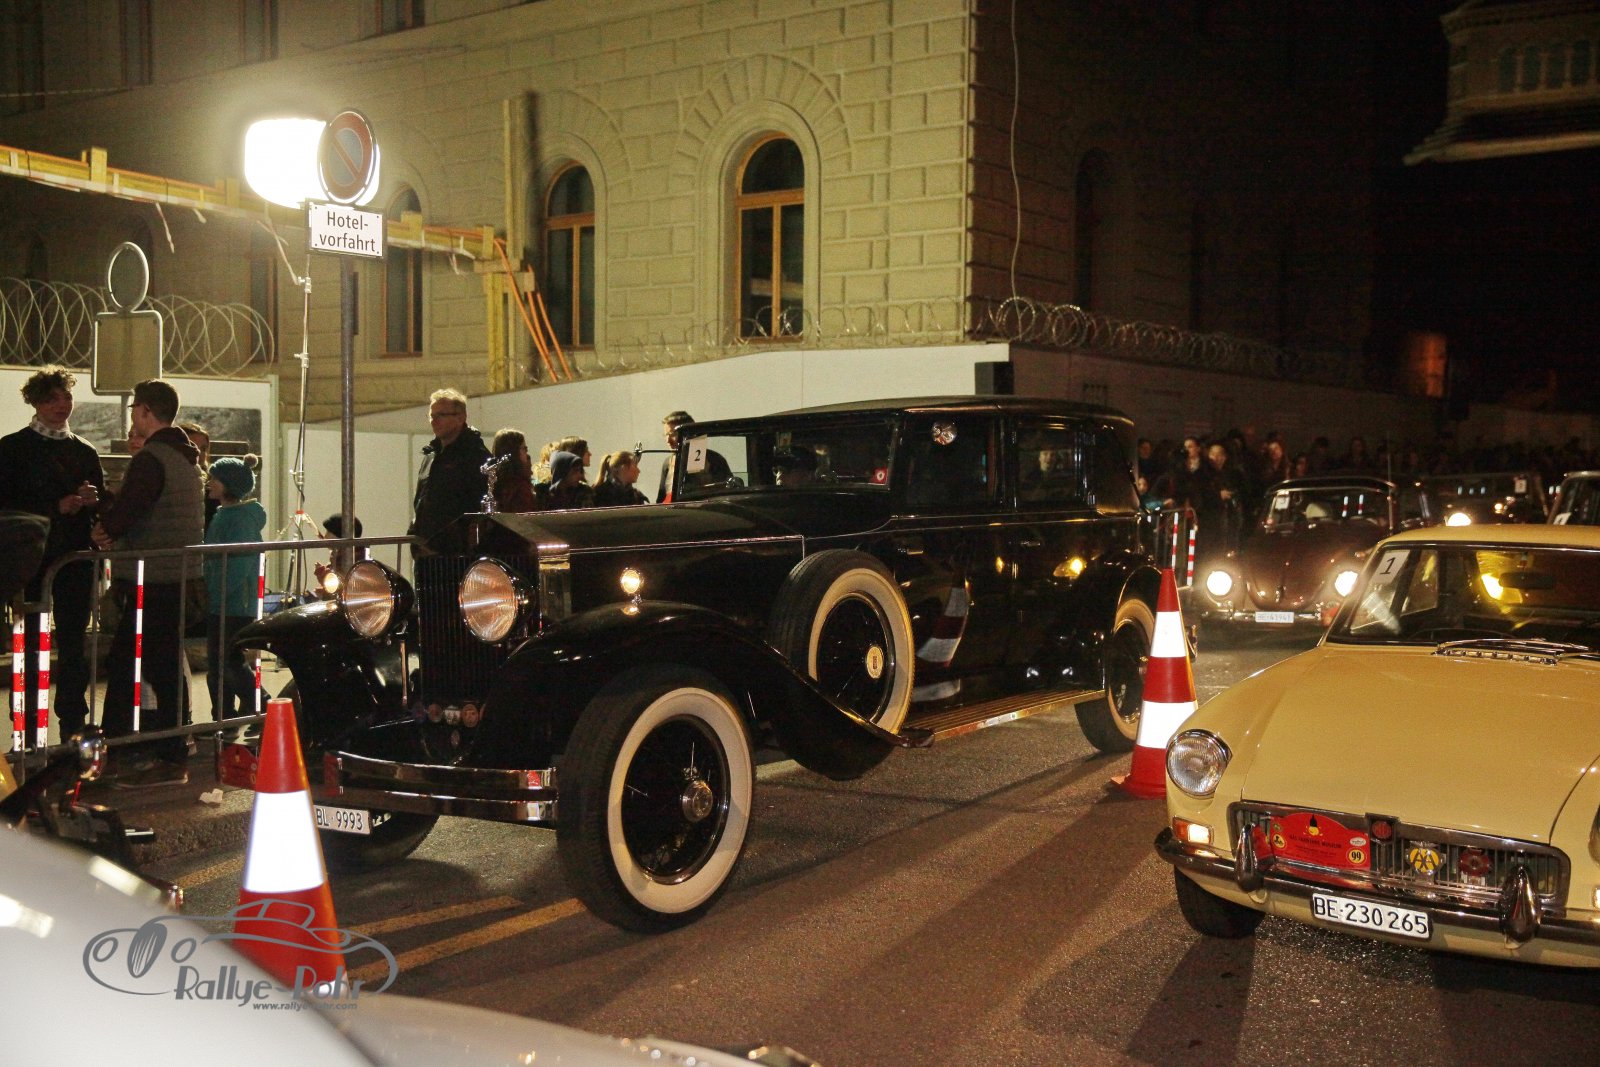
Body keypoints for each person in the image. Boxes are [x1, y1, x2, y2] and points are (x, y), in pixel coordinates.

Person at [92, 378, 205, 787]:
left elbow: (131, 510)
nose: (133, 419)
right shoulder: (185, 458)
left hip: (152, 577)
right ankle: (151, 750)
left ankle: (134, 753)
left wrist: (105, 526)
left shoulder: (152, 459)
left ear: (144, 411)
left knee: (135, 665)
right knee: (153, 663)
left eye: (135, 411)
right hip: (176, 575)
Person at [0, 367, 105, 739]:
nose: (62, 405)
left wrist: (93, 501)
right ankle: (27, 721)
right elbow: (6, 507)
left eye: (66, 397)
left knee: (74, 644)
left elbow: (100, 506)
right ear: (35, 403)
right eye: (51, 399)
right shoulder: (11, 449)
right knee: (29, 643)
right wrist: (52, 508)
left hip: (74, 559)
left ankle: (72, 722)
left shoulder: (85, 450)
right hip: (29, 561)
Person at [201, 456, 265, 720]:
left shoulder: (239, 520)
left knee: (228, 664)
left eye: (214, 478)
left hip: (235, 603)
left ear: (229, 484)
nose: (209, 482)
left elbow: (238, 565)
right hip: (226, 601)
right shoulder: (226, 514)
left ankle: (264, 708)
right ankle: (224, 717)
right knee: (220, 665)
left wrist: (214, 592)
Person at [410, 388, 490, 544]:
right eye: (431, 416)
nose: (434, 421)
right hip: (426, 547)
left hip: (458, 550)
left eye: (440, 415)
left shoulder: (475, 455)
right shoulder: (430, 455)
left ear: (460, 418)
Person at [314, 513, 365, 597]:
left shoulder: (351, 558)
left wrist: (322, 573)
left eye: (328, 532)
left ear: (340, 535)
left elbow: (339, 585)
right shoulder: (340, 555)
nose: (325, 536)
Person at [490, 429, 538, 512]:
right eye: (524, 448)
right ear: (514, 451)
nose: (527, 453)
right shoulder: (519, 485)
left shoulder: (494, 479)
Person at [656, 410, 694, 502]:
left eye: (672, 434)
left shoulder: (713, 460)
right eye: (666, 435)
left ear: (688, 434)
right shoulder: (668, 463)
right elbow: (661, 500)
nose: (668, 440)